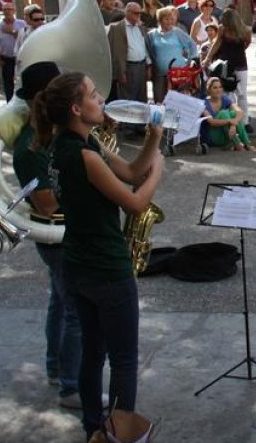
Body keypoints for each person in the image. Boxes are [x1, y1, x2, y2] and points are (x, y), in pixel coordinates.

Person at [34, 72, 164, 441]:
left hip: (77, 263)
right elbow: (137, 201)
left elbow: (129, 170)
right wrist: (160, 171)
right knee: (123, 358)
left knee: (93, 350)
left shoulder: (68, 143)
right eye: (93, 95)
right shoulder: (86, 155)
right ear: (77, 108)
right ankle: (119, 434)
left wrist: (154, 139)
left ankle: (94, 427)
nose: (100, 99)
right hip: (106, 267)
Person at [10, 61, 88, 410]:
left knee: (59, 302)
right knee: (74, 310)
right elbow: (43, 203)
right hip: (56, 234)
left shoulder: (47, 136)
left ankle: (57, 369)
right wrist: (84, 177)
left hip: (61, 233)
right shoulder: (31, 146)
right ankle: (72, 387)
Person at [204, 8, 253, 127]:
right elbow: (217, 43)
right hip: (225, 65)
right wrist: (208, 57)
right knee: (226, 92)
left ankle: (244, 121)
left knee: (241, 94)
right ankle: (230, 119)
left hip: (240, 65)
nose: (222, 22)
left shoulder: (245, 30)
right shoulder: (222, 29)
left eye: (224, 20)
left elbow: (247, 43)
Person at [148, 5, 198, 103]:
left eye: (171, 19)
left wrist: (191, 60)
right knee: (160, 101)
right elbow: (149, 52)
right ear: (159, 20)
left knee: (179, 102)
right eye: (166, 19)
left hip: (178, 74)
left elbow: (192, 45)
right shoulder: (152, 35)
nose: (170, 22)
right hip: (160, 74)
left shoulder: (177, 32)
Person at [107, 2, 153, 107]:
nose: (138, 15)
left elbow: (144, 47)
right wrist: (120, 72)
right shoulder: (117, 28)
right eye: (135, 13)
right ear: (127, 13)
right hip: (128, 67)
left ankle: (141, 123)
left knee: (141, 98)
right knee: (128, 100)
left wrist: (148, 66)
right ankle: (127, 123)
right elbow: (115, 51)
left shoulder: (141, 27)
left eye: (140, 13)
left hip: (141, 66)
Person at [200, 75, 255, 151]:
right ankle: (238, 145)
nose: (218, 90)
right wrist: (229, 121)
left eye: (220, 87)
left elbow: (240, 112)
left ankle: (247, 144)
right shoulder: (203, 103)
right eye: (215, 88)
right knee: (223, 113)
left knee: (233, 114)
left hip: (227, 133)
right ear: (209, 90)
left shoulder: (224, 98)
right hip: (211, 137)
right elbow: (211, 122)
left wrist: (233, 124)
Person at [0, 3, 24, 101]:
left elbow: (25, 38)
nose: (7, 11)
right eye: (5, 9)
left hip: (20, 58)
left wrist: (12, 32)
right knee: (8, 84)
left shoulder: (22, 24)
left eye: (10, 9)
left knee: (22, 82)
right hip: (6, 59)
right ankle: (9, 103)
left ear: (14, 11)